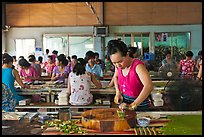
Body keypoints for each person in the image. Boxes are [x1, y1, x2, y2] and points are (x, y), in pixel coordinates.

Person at [107, 39, 153, 111]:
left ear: (127, 54)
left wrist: (133, 105)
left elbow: (149, 86)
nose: (117, 65)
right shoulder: (118, 66)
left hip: (140, 103)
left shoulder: (138, 66)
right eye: (114, 63)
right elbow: (115, 77)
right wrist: (118, 92)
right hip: (125, 102)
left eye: (120, 61)